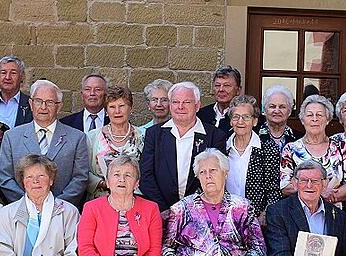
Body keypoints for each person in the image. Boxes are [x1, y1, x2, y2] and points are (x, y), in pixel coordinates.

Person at [0, 79, 89, 208]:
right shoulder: (12, 137)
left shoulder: (77, 138)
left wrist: (56, 205)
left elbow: (80, 178)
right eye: (38, 101)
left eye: (50, 102)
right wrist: (28, 204)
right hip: (23, 210)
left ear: (59, 106)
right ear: (31, 103)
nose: (43, 107)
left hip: (61, 213)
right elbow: (5, 178)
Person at [139, 81, 226, 213]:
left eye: (186, 102)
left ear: (197, 106)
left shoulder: (214, 136)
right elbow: (146, 176)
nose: (180, 106)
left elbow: (216, 177)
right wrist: (163, 209)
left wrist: (194, 209)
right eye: (175, 102)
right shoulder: (154, 134)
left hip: (201, 213)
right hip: (161, 212)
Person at [280, 95, 346, 211]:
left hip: (336, 215)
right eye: (310, 115)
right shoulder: (290, 149)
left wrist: (331, 196)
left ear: (327, 119)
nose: (314, 119)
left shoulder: (341, 147)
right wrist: (319, 193)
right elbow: (285, 187)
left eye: (319, 115)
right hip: (300, 215)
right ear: (303, 120)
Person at [225, 95, 280, 220]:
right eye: (236, 117)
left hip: (256, 220)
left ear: (255, 121)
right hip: (224, 219)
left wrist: (265, 215)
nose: (240, 121)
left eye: (246, 117)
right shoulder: (222, 148)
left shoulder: (268, 149)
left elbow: (273, 190)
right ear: (230, 121)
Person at [86, 85, 144, 200]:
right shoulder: (91, 137)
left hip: (136, 199)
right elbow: (83, 171)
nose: (117, 111)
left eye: (122, 106)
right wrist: (104, 183)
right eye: (112, 107)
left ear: (130, 108)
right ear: (106, 111)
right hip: (100, 200)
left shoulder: (144, 135)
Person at [197, 65, 243, 135]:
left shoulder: (244, 117)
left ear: (238, 90)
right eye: (217, 85)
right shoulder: (201, 115)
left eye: (227, 85)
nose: (221, 90)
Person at [258, 85, 303, 152]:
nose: (277, 111)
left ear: (289, 111)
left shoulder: (299, 138)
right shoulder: (253, 135)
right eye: (272, 106)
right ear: (264, 110)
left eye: (282, 107)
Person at [0, 55, 33, 128]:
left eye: (13, 73)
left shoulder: (31, 105)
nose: (7, 77)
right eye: (3, 73)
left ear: (22, 76)